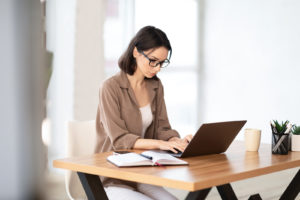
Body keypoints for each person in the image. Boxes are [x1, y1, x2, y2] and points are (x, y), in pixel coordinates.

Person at [95, 26, 193, 200]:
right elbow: (119, 140)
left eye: (162, 63)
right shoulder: (110, 88)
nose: (157, 69)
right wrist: (159, 144)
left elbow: (162, 128)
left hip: (143, 173)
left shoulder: (155, 86)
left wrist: (174, 141)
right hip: (113, 177)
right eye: (153, 61)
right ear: (136, 52)